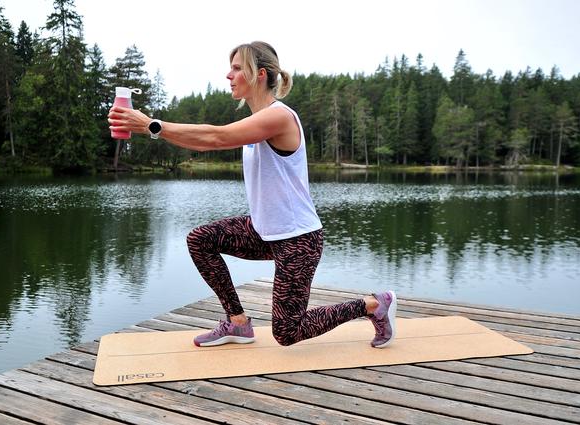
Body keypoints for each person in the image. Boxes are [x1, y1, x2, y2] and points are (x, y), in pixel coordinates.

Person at [108, 41, 397, 348]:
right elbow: (207, 140)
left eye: (236, 68)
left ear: (259, 74)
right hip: (264, 231)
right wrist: (150, 128)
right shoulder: (256, 121)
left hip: (299, 239)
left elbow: (216, 138)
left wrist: (152, 125)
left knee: (288, 332)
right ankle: (238, 323)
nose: (229, 75)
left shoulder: (279, 117)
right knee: (200, 240)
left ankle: (373, 305)